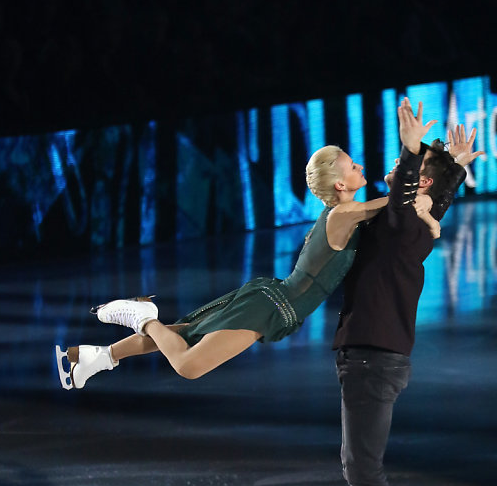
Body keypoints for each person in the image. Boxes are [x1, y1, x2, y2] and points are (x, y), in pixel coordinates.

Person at [56, 147, 441, 390]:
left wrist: (427, 211)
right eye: (352, 165)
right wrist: (427, 199)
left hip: (271, 299)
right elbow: (393, 204)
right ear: (341, 184)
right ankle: (143, 317)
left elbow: (393, 214)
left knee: (186, 335)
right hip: (271, 307)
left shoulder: (342, 214)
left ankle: (92, 358)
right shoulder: (343, 214)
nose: (360, 166)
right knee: (189, 364)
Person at [317, 98, 482, 486]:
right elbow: (421, 199)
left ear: (418, 186)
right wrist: (450, 166)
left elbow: (408, 195)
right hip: (369, 356)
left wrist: (417, 156)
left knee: (364, 468)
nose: (391, 176)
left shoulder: (405, 222)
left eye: (401, 174)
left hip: (374, 358)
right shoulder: (411, 224)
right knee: (356, 466)